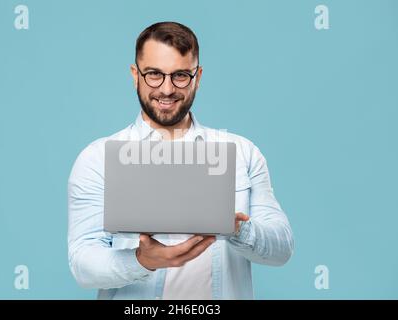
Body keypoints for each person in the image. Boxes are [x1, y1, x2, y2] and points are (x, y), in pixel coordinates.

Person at [68, 21, 294, 300]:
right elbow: (83, 264)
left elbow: (282, 248)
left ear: (197, 77)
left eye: (180, 76)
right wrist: (143, 260)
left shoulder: (241, 152)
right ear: (135, 75)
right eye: (154, 74)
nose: (166, 89)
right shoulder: (98, 158)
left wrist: (237, 228)